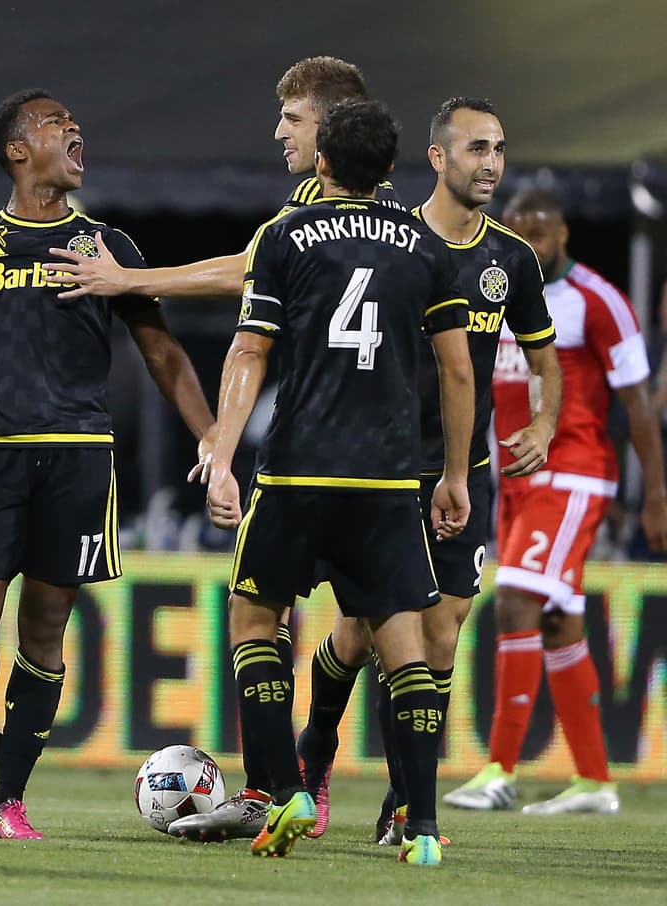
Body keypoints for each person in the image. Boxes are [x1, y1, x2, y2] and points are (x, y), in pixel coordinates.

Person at [52, 55, 388, 840]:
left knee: (260, 615)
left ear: (331, 131)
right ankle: (394, 807)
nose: (279, 132)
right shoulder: (391, 218)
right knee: (379, 630)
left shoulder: (313, 213)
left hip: (312, 451)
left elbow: (245, 276)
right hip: (394, 456)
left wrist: (131, 282)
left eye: (294, 119)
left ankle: (285, 786)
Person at [0, 88, 217, 840]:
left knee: (45, 629)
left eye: (74, 121)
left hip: (80, 458)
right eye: (57, 122)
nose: (74, 128)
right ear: (18, 151)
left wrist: (212, 437)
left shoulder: (108, 248)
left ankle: (8, 801)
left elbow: (163, 353)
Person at [187, 98, 474, 865]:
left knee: (255, 620)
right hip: (386, 481)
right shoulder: (427, 246)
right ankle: (419, 828)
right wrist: (452, 473)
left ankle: (284, 794)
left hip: (297, 470)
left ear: (322, 162)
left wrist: (220, 451)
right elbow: (455, 368)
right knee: (407, 648)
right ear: (391, 169)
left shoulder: (285, 237)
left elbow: (250, 351)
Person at [293, 98, 561, 844]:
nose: (493, 164)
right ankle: (315, 750)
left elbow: (544, 360)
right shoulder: (395, 244)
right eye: (478, 148)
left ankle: (403, 801)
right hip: (379, 472)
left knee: (438, 638)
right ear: (439, 158)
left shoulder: (511, 259)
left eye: (500, 149)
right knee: (361, 633)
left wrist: (541, 420)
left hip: (462, 473)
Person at [444, 187, 667, 814]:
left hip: (572, 474)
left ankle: (498, 770)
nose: (528, 244)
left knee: (514, 597)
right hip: (515, 478)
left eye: (539, 233)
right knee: (557, 620)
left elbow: (639, 404)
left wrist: (655, 494)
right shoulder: (495, 295)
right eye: (517, 231)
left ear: (563, 232)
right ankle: (596, 780)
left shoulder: (598, 302)